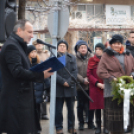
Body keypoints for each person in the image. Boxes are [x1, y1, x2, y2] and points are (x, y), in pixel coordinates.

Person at [0, 19, 53, 134]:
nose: (32, 36)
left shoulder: (17, 45)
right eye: (29, 32)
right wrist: (41, 75)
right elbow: (17, 72)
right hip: (16, 103)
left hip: (21, 101)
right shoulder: (11, 46)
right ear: (19, 30)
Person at [97, 34, 134, 134]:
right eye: (114, 43)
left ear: (121, 44)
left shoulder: (128, 54)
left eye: (118, 43)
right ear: (111, 44)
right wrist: (111, 78)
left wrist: (132, 76)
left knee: (125, 118)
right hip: (112, 92)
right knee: (114, 124)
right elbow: (100, 71)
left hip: (127, 90)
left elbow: (133, 68)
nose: (117, 45)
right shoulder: (106, 55)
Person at [55, 40, 77, 134]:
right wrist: (62, 81)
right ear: (57, 47)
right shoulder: (54, 58)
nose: (62, 47)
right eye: (60, 45)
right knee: (58, 110)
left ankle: (71, 127)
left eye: (64, 46)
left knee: (71, 109)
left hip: (70, 87)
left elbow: (74, 71)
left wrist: (69, 82)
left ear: (67, 47)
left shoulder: (72, 57)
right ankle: (59, 127)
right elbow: (52, 72)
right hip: (58, 87)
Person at [87, 43, 108, 134]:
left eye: (100, 49)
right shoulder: (91, 60)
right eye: (97, 49)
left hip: (106, 87)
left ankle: (106, 127)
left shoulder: (107, 60)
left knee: (106, 108)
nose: (98, 51)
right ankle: (98, 126)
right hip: (95, 87)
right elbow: (89, 74)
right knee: (97, 108)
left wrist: (106, 84)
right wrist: (97, 83)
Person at [74, 40, 93, 130]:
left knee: (90, 105)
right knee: (80, 106)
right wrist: (82, 79)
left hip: (90, 86)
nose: (83, 49)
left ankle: (90, 123)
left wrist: (88, 79)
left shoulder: (91, 57)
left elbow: (94, 70)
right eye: (81, 47)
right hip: (80, 86)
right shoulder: (74, 58)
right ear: (78, 49)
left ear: (87, 48)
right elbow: (73, 71)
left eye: (84, 47)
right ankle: (81, 123)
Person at [33, 40, 50, 120]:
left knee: (44, 96)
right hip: (35, 78)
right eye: (38, 44)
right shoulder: (33, 53)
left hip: (45, 77)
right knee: (36, 97)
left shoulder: (46, 53)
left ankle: (44, 113)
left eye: (41, 44)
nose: (39, 45)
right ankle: (37, 113)